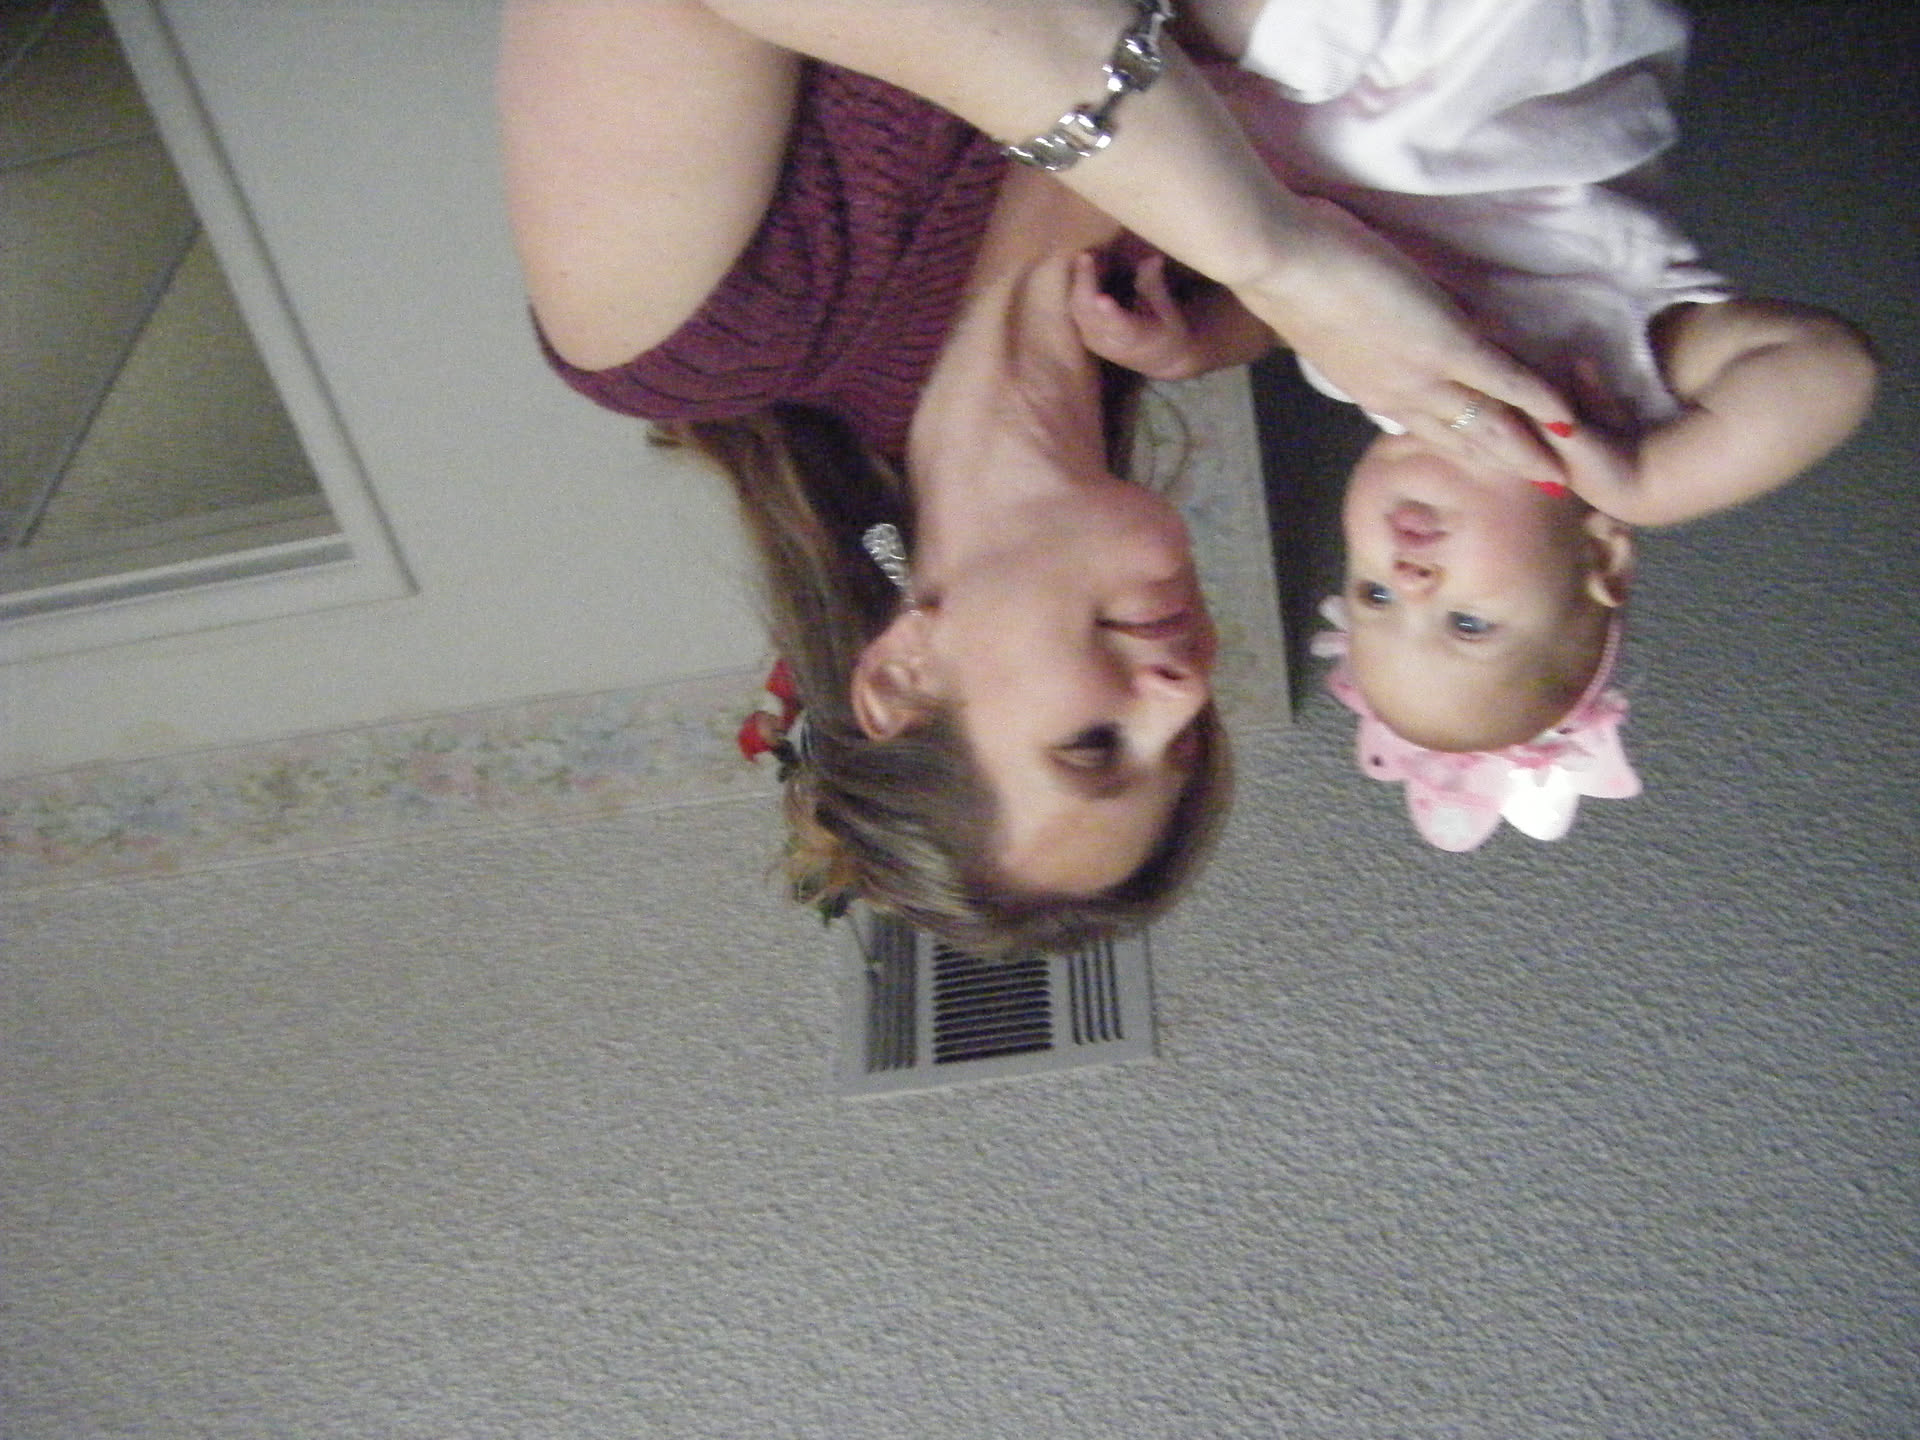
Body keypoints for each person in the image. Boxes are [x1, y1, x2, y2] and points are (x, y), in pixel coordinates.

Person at [498, 0, 1580, 948]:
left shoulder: (703, 334)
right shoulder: (1216, 298)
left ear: (904, 676)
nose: (1183, 693)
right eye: (1188, 742)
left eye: (1095, 748)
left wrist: (1272, 253)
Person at [1075, 0, 1877, 850]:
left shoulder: (1381, 393)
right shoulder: (1619, 378)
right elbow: (1834, 367)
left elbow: (1292, 313)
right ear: (1602, 556)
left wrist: (1199, 343)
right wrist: (1646, 482)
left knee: (1159, 95)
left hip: (1314, 96)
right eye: (1468, 623)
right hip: (1494, 52)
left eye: (1373, 595)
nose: (1410, 579)